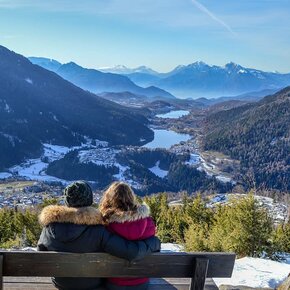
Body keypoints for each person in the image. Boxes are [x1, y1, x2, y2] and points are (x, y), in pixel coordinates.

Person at [37, 181, 160, 290]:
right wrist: (153, 242)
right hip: (92, 285)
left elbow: (40, 256)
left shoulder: (48, 229)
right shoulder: (98, 231)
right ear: (89, 200)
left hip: (60, 284)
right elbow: (131, 252)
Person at [99, 181, 156, 290]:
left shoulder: (105, 225)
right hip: (141, 282)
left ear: (108, 199)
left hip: (113, 282)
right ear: (131, 197)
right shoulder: (148, 222)